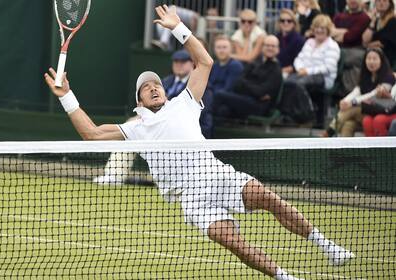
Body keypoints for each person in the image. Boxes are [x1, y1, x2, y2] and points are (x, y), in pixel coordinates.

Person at [44, 5, 354, 280]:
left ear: (163, 89)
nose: (152, 88)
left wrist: (178, 28)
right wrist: (67, 97)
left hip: (217, 174)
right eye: (145, 87)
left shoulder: (185, 101)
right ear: (138, 100)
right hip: (192, 199)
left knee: (268, 197)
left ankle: (327, 246)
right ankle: (284, 277)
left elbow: (204, 62)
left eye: (155, 83)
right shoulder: (136, 128)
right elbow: (92, 134)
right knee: (235, 243)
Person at [322, 48, 395, 137]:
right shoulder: (364, 76)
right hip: (367, 112)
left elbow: (373, 95)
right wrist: (345, 101)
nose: (371, 62)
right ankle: (344, 149)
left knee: (351, 109)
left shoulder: (389, 77)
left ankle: (329, 132)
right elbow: (356, 91)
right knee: (348, 124)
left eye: (375, 59)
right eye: (368, 58)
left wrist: (352, 102)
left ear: (381, 61)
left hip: (382, 111)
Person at [286, 14, 341, 126]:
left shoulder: (332, 45)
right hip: (304, 73)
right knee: (287, 81)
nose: (319, 30)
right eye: (317, 27)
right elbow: (299, 59)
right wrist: (300, 68)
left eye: (323, 28)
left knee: (298, 83)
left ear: (328, 30)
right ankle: (292, 113)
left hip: (323, 77)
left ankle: (307, 113)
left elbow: (328, 67)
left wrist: (307, 71)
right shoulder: (309, 42)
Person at [213, 35, 283, 120]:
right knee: (223, 110)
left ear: (278, 49)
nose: (270, 48)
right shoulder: (255, 63)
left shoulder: (276, 69)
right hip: (246, 100)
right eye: (267, 45)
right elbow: (238, 83)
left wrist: (247, 86)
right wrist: (254, 89)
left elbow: (261, 92)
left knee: (219, 95)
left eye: (273, 46)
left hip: (259, 106)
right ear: (262, 47)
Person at [162, 48, 213, 139]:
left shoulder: (201, 85)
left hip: (191, 134)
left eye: (183, 62)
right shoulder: (165, 82)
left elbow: (203, 112)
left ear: (192, 63)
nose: (179, 65)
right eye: (176, 61)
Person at [331, 0, 371, 93]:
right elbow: (330, 31)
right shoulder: (338, 16)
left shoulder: (364, 18)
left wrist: (339, 33)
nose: (352, 1)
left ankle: (349, 92)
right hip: (337, 49)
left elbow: (350, 37)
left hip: (355, 50)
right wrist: (346, 31)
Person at [362, 0, 396, 70]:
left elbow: (382, 43)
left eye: (384, 1)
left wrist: (367, 46)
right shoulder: (376, 20)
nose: (381, 3)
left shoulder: (393, 20)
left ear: (390, 4)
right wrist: (373, 21)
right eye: (378, 1)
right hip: (374, 54)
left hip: (388, 57)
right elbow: (365, 40)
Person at [275, 9, 305, 77]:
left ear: (294, 23)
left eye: (289, 21)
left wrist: (281, 71)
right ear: (279, 23)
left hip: (291, 75)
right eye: (282, 21)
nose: (286, 23)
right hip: (275, 71)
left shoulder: (299, 40)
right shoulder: (275, 38)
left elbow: (299, 63)